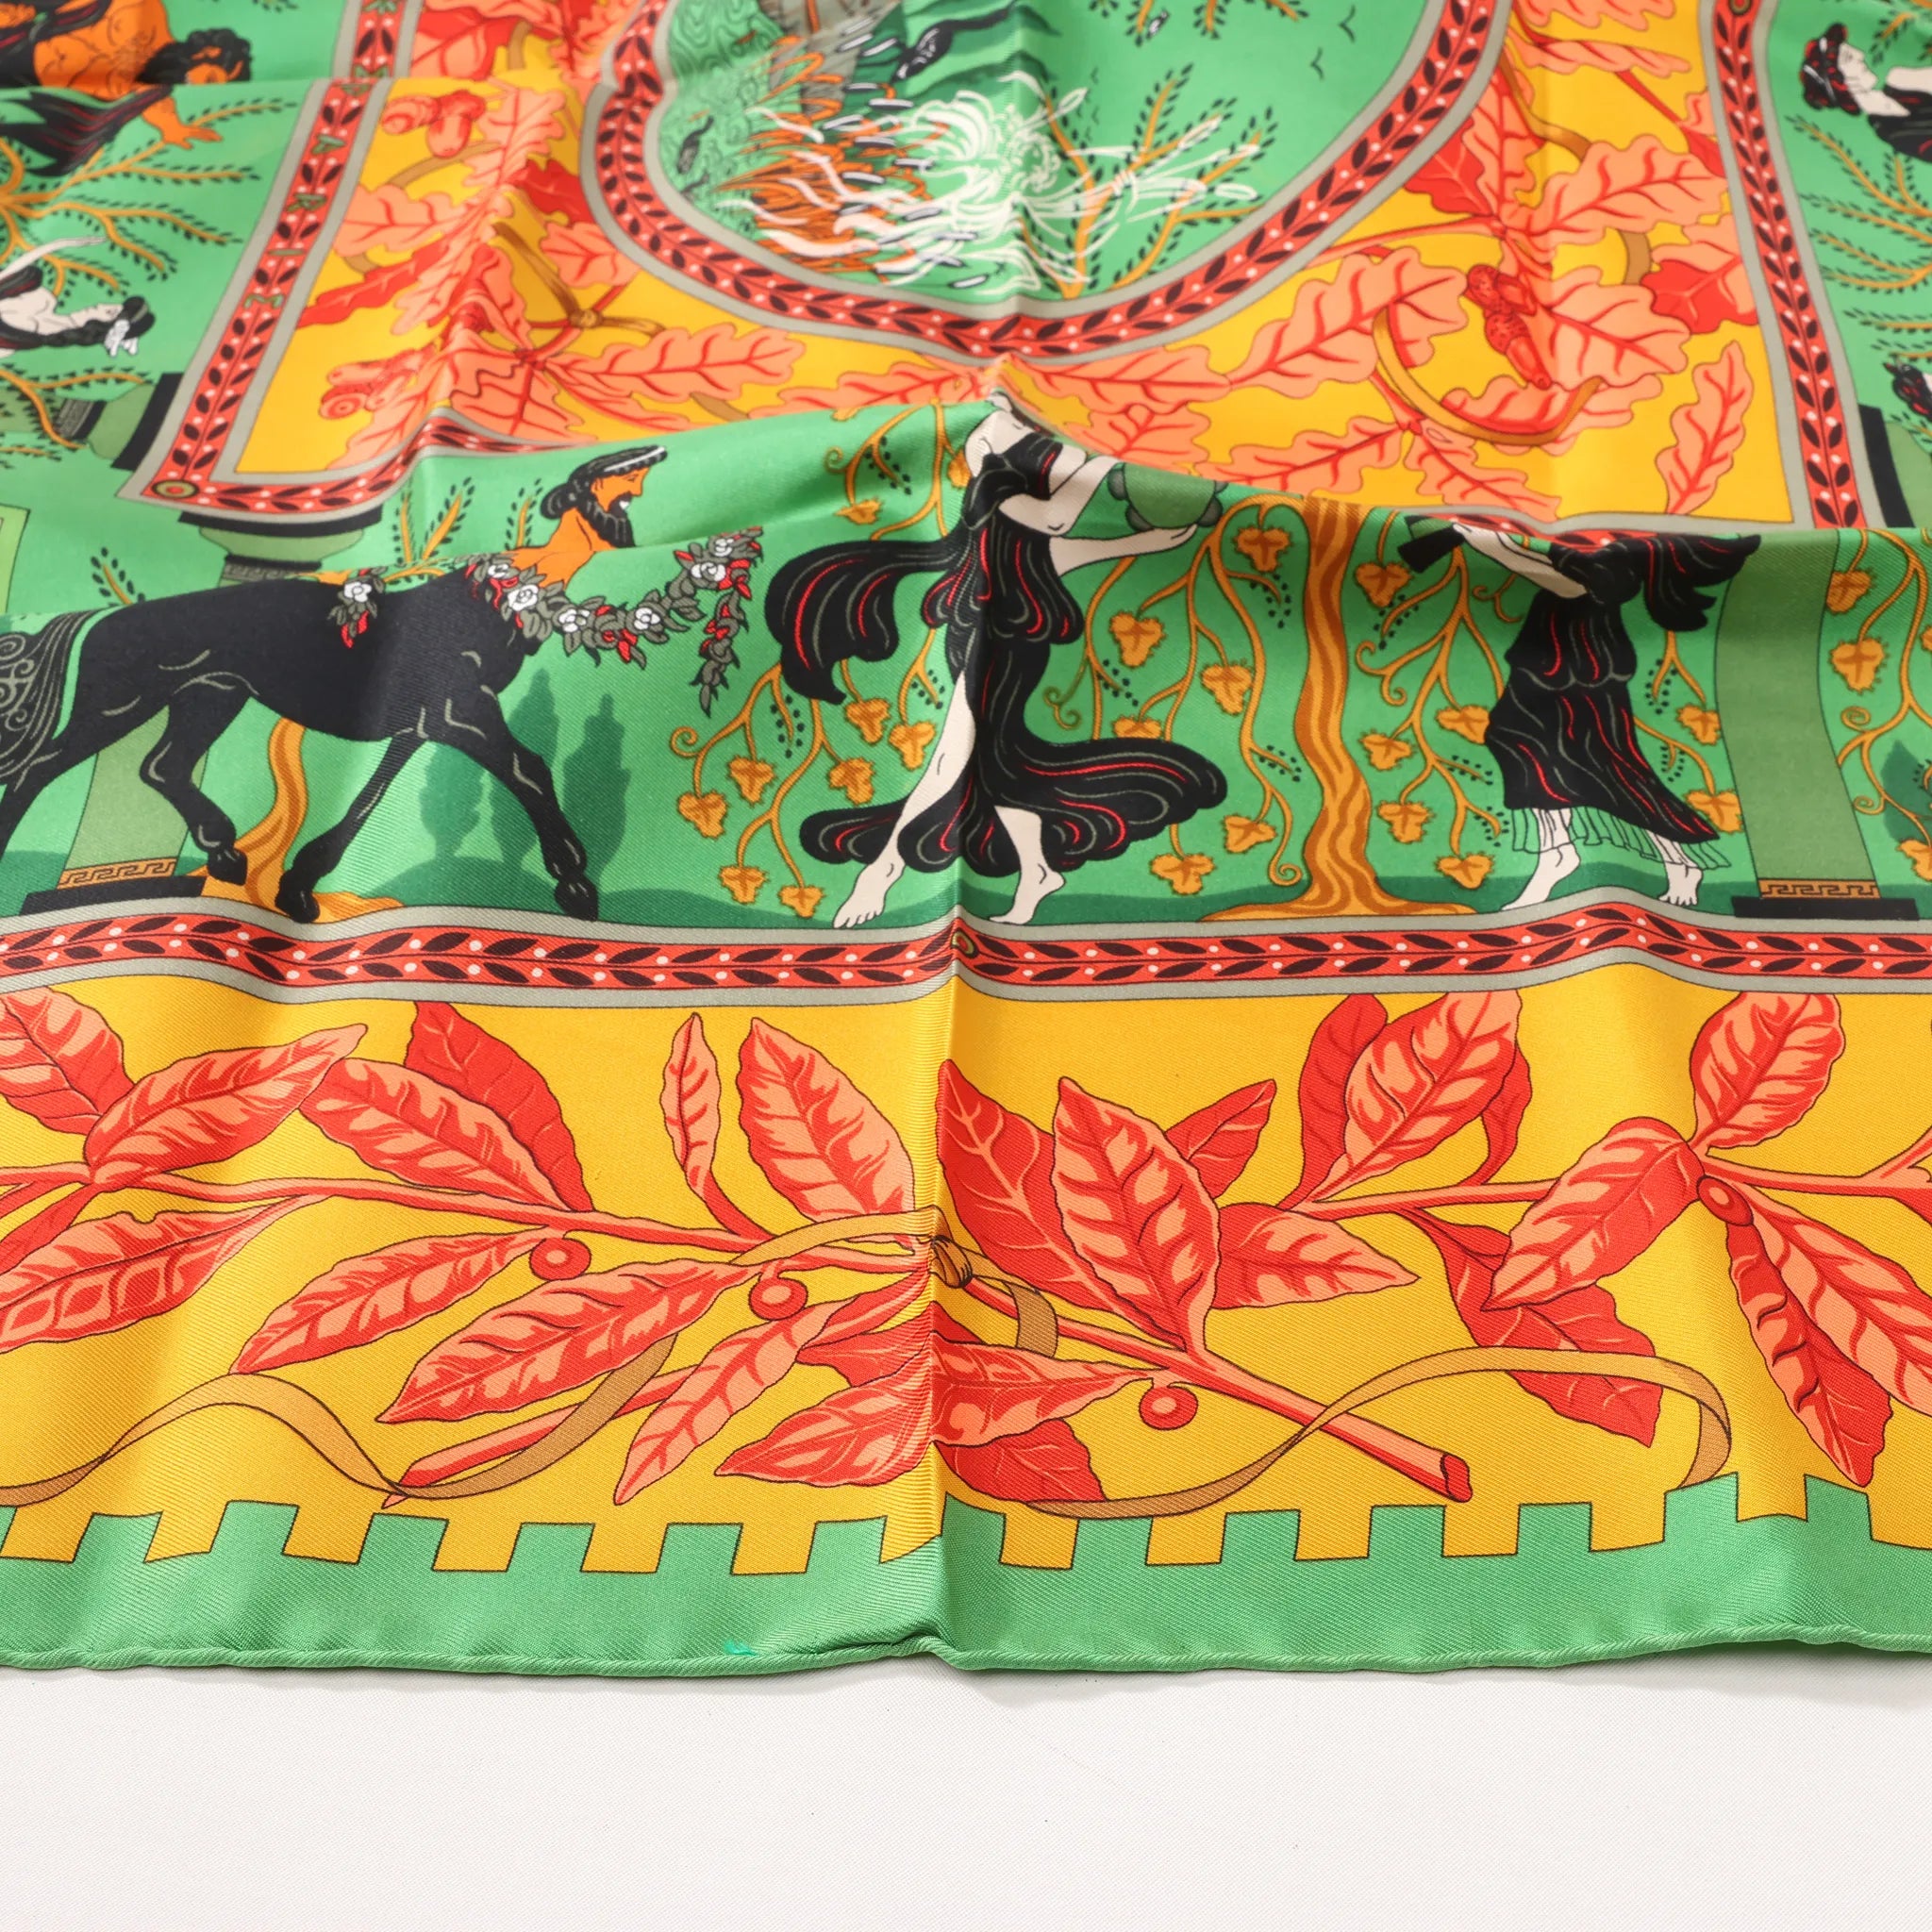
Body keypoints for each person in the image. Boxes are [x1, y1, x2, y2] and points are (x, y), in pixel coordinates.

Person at [769, 392, 1225, 926]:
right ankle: (1036, 873)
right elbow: (1049, 523)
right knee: (998, 769)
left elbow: (1060, 538)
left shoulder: (1047, 489)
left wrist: (1141, 532)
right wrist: (1108, 473)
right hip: (973, 633)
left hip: (1013, 647)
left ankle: (882, 871)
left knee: (950, 762)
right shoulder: (991, 458)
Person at [1398, 519, 1758, 910]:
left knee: (1613, 769)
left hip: (1585, 677)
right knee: (1514, 739)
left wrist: (1485, 541)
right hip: (1541, 668)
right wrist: (1487, 540)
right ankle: (1556, 853)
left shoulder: (1614, 563)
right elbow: (1538, 562)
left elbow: (1558, 579)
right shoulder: (1569, 551)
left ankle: (1681, 863)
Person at [0, 2, 252, 174]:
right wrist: (31, 9)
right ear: (209, 52)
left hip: (22, 76)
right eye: (208, 80)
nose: (195, 89)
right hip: (20, 31)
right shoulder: (147, 12)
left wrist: (173, 128)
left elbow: (158, 105)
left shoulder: (150, 87)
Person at [1801, 20, 1932, 160]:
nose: (1860, 54)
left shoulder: (1899, 80)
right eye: (1848, 57)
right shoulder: (1893, 133)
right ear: (1839, 85)